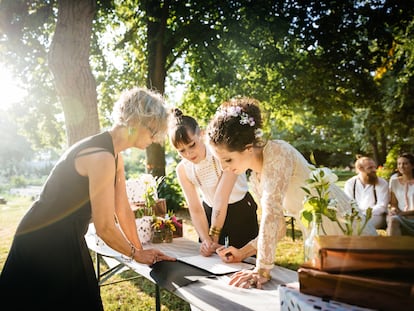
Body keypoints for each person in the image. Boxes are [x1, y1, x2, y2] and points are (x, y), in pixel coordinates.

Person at [0, 87, 175, 309]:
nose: (156, 139)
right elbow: (104, 226)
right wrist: (135, 254)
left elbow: (122, 210)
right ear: (136, 121)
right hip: (42, 242)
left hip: (68, 238)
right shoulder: (100, 157)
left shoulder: (115, 155)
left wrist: (141, 252)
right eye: (153, 131)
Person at [206, 97, 376, 289]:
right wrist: (242, 253)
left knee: (366, 287)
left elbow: (271, 213)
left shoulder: (278, 152)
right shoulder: (255, 177)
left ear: (247, 148)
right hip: (315, 230)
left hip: (337, 220)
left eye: (227, 160)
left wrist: (261, 270)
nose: (224, 168)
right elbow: (277, 227)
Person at [169, 108, 259, 256]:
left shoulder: (221, 153)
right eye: (182, 151)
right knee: (211, 261)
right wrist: (206, 240)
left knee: (243, 261)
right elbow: (195, 208)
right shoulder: (183, 169)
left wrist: (214, 236)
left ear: (201, 134)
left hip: (240, 211)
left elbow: (221, 198)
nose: (189, 153)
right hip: (209, 213)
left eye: (192, 145)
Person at [344, 156, 389, 229]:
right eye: (370, 168)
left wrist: (364, 215)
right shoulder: (350, 183)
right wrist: (357, 214)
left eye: (374, 167)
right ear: (360, 169)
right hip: (356, 215)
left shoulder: (382, 183)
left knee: (361, 225)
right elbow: (348, 203)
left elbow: (382, 206)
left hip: (376, 216)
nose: (374, 170)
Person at [387, 152, 414, 236]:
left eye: (405, 163)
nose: (401, 166)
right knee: (393, 219)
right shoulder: (394, 182)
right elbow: (393, 203)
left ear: (413, 166)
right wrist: (393, 209)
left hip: (409, 216)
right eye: (399, 164)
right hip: (401, 217)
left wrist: (402, 213)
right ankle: (392, 248)